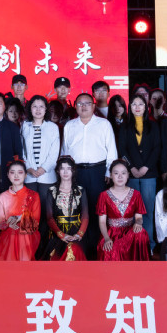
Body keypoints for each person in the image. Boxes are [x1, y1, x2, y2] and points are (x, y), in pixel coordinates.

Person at [61, 93, 117, 257]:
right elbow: (65, 151)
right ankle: (79, 250)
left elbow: (111, 150)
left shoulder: (104, 124)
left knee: (96, 208)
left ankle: (96, 250)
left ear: (93, 106)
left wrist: (109, 171)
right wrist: (65, 173)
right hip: (75, 172)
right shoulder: (70, 125)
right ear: (75, 107)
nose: (83, 106)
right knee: (77, 209)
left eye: (87, 103)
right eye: (80, 103)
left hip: (97, 172)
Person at [114, 92, 160, 248]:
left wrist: (146, 167)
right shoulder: (124, 126)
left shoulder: (153, 125)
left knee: (148, 210)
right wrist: (131, 168)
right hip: (131, 174)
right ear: (130, 107)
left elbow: (157, 148)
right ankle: (133, 244)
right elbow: (122, 150)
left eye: (141, 104)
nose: (137, 107)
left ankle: (149, 244)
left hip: (149, 173)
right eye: (134, 104)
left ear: (146, 107)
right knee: (132, 211)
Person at [97, 159, 151, 261]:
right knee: (109, 250)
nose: (120, 176)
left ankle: (139, 268)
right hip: (111, 234)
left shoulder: (136, 194)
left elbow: (139, 217)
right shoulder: (103, 195)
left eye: (123, 173)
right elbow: (102, 222)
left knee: (141, 233)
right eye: (116, 173)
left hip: (130, 232)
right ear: (111, 175)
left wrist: (138, 223)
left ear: (128, 175)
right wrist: (107, 238)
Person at [41, 156, 88, 261]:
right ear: (58, 171)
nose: (65, 172)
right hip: (58, 231)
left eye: (69, 168)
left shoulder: (80, 190)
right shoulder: (52, 191)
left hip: (77, 230)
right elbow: (49, 217)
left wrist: (79, 234)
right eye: (62, 168)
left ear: (73, 170)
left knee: (74, 249)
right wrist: (61, 235)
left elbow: (85, 216)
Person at [0, 158, 41, 261]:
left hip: (28, 232)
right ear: (8, 175)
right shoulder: (2, 196)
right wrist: (8, 222)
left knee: (21, 234)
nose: (16, 176)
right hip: (8, 232)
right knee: (13, 233)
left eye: (20, 172)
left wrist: (20, 218)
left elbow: (36, 221)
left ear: (25, 175)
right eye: (12, 172)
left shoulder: (33, 195)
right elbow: (1, 224)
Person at [22, 95, 60, 198]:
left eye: (41, 106)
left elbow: (54, 152)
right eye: (35, 106)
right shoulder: (24, 126)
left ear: (46, 109)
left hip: (47, 176)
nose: (38, 109)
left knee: (46, 204)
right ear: (30, 109)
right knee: (30, 204)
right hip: (29, 176)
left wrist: (44, 168)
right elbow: (22, 150)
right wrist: (28, 168)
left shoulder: (52, 127)